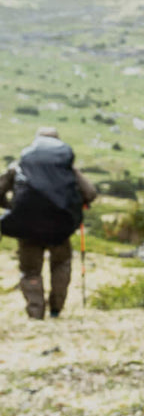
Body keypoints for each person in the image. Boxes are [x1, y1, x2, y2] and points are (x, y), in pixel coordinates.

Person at [0, 127, 97, 319]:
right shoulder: (67, 168)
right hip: (60, 227)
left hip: (27, 227)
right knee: (61, 264)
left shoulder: (20, 165)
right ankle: (55, 309)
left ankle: (36, 313)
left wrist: (11, 207)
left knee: (30, 270)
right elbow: (91, 193)